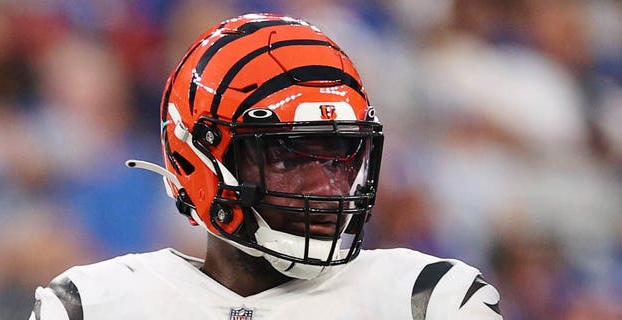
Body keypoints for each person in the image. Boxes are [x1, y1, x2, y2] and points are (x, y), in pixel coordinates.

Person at [30, 13, 502, 319]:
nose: (325, 183)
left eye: (342, 155)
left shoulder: (428, 300)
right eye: (287, 155)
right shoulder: (92, 306)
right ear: (200, 161)